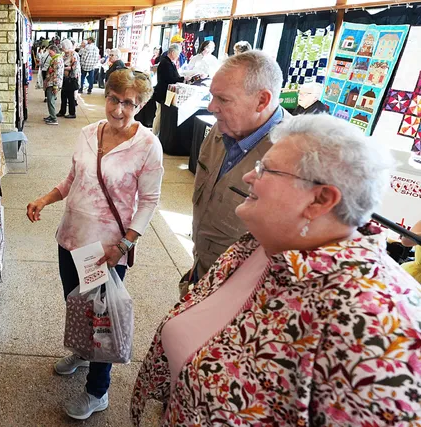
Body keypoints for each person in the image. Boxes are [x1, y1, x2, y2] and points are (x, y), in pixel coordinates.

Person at [132, 113, 421, 425]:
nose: (248, 177)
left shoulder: (380, 325)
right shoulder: (263, 243)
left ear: (320, 199)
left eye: (265, 170)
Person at [26, 69, 163, 421]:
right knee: (76, 305)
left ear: (142, 104)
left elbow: (148, 202)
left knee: (101, 320)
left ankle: (97, 391)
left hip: (103, 250)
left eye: (129, 103)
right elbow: (73, 178)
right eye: (114, 99)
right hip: (70, 237)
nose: (118, 109)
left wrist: (123, 246)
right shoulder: (89, 133)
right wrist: (45, 198)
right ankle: (81, 353)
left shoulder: (148, 146)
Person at [188, 50, 287, 287]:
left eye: (223, 99)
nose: (211, 107)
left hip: (244, 293)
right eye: (212, 97)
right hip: (202, 271)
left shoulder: (293, 158)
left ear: (262, 100)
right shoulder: (222, 129)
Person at [152, 43, 184, 136]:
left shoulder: (169, 62)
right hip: (162, 93)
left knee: (160, 116)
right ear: (173, 52)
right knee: (159, 115)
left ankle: (157, 134)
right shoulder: (165, 63)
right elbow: (170, 78)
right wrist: (183, 78)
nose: (178, 56)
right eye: (178, 54)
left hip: (165, 93)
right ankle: (154, 134)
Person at [57, 39, 81, 119]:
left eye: (63, 48)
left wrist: (63, 68)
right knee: (63, 95)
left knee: (70, 97)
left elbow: (74, 67)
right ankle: (62, 111)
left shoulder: (74, 55)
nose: (62, 49)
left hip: (71, 78)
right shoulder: (64, 55)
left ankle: (72, 113)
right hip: (64, 78)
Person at [44, 44, 64, 125]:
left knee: (51, 100)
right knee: (50, 100)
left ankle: (53, 118)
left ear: (55, 51)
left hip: (53, 83)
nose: (49, 55)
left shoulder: (57, 60)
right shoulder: (56, 59)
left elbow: (56, 74)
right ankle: (51, 115)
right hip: (52, 82)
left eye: (50, 53)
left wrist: (55, 86)